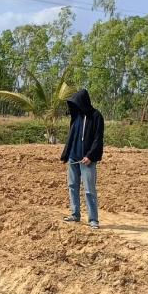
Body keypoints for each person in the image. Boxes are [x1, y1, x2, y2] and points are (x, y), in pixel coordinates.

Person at [60, 88, 105, 230]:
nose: (76, 105)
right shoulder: (77, 116)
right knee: (72, 186)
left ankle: (93, 220)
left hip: (87, 160)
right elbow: (71, 137)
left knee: (89, 190)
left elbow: (98, 139)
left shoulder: (96, 116)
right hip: (73, 158)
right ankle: (75, 214)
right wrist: (66, 155)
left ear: (84, 102)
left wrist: (90, 156)